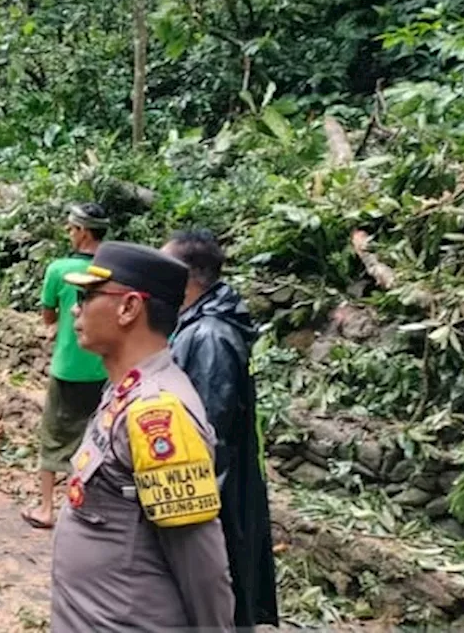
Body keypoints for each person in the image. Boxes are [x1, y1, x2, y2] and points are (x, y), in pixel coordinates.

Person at [53, 242, 234, 631]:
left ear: (129, 307)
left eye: (87, 296)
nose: (74, 308)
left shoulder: (159, 414)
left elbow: (201, 562)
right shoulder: (125, 388)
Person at [162, 229, 279, 629]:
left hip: (217, 496)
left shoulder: (210, 335)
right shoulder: (197, 323)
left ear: (185, 275)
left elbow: (209, 431)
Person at [23, 203, 111, 530]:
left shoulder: (60, 270)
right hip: (105, 368)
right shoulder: (115, 269)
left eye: (72, 229)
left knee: (54, 436)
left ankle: (46, 507)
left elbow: (48, 316)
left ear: (83, 231)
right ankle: (82, 507)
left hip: (69, 366)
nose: (69, 234)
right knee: (96, 437)